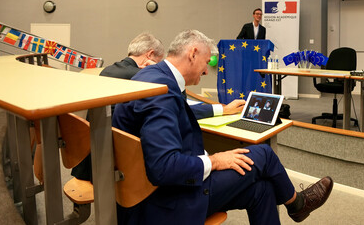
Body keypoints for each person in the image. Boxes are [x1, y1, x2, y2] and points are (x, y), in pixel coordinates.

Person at [112, 30, 334, 225]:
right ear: (193, 53)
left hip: (154, 192)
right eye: (207, 62)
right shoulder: (161, 89)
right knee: (263, 154)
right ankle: (297, 203)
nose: (208, 71)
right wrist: (215, 161)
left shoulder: (153, 77)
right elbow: (163, 168)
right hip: (166, 202)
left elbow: (181, 111)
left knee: (263, 189)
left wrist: (222, 110)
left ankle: (297, 204)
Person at [71, 32, 245, 182]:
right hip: (115, 168)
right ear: (150, 55)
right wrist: (165, 73)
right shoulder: (149, 79)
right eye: (161, 61)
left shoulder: (110, 69)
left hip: (95, 157)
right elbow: (179, 101)